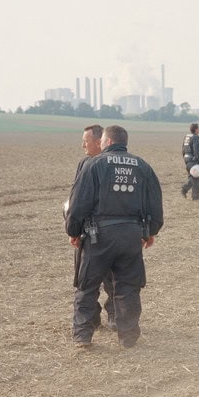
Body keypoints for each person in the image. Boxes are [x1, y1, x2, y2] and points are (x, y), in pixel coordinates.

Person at [65, 125, 164, 349]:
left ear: (107, 142)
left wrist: (73, 231)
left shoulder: (93, 165)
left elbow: (79, 202)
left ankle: (82, 335)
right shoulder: (143, 166)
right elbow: (155, 203)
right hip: (131, 236)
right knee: (128, 287)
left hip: (98, 236)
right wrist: (150, 232)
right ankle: (128, 337)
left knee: (88, 286)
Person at [72, 125, 116, 331]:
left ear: (99, 142)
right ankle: (92, 317)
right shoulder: (84, 164)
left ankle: (115, 316)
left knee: (112, 278)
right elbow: (77, 199)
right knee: (84, 279)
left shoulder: (112, 165)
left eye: (86, 141)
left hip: (108, 232)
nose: (83, 145)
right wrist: (75, 230)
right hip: (87, 232)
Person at [180, 123, 199, 200]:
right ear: (196, 129)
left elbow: (183, 149)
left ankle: (184, 190)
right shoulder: (196, 138)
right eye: (198, 128)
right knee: (197, 177)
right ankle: (195, 197)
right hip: (193, 160)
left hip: (187, 160)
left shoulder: (187, 137)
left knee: (192, 176)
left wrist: (185, 159)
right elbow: (197, 150)